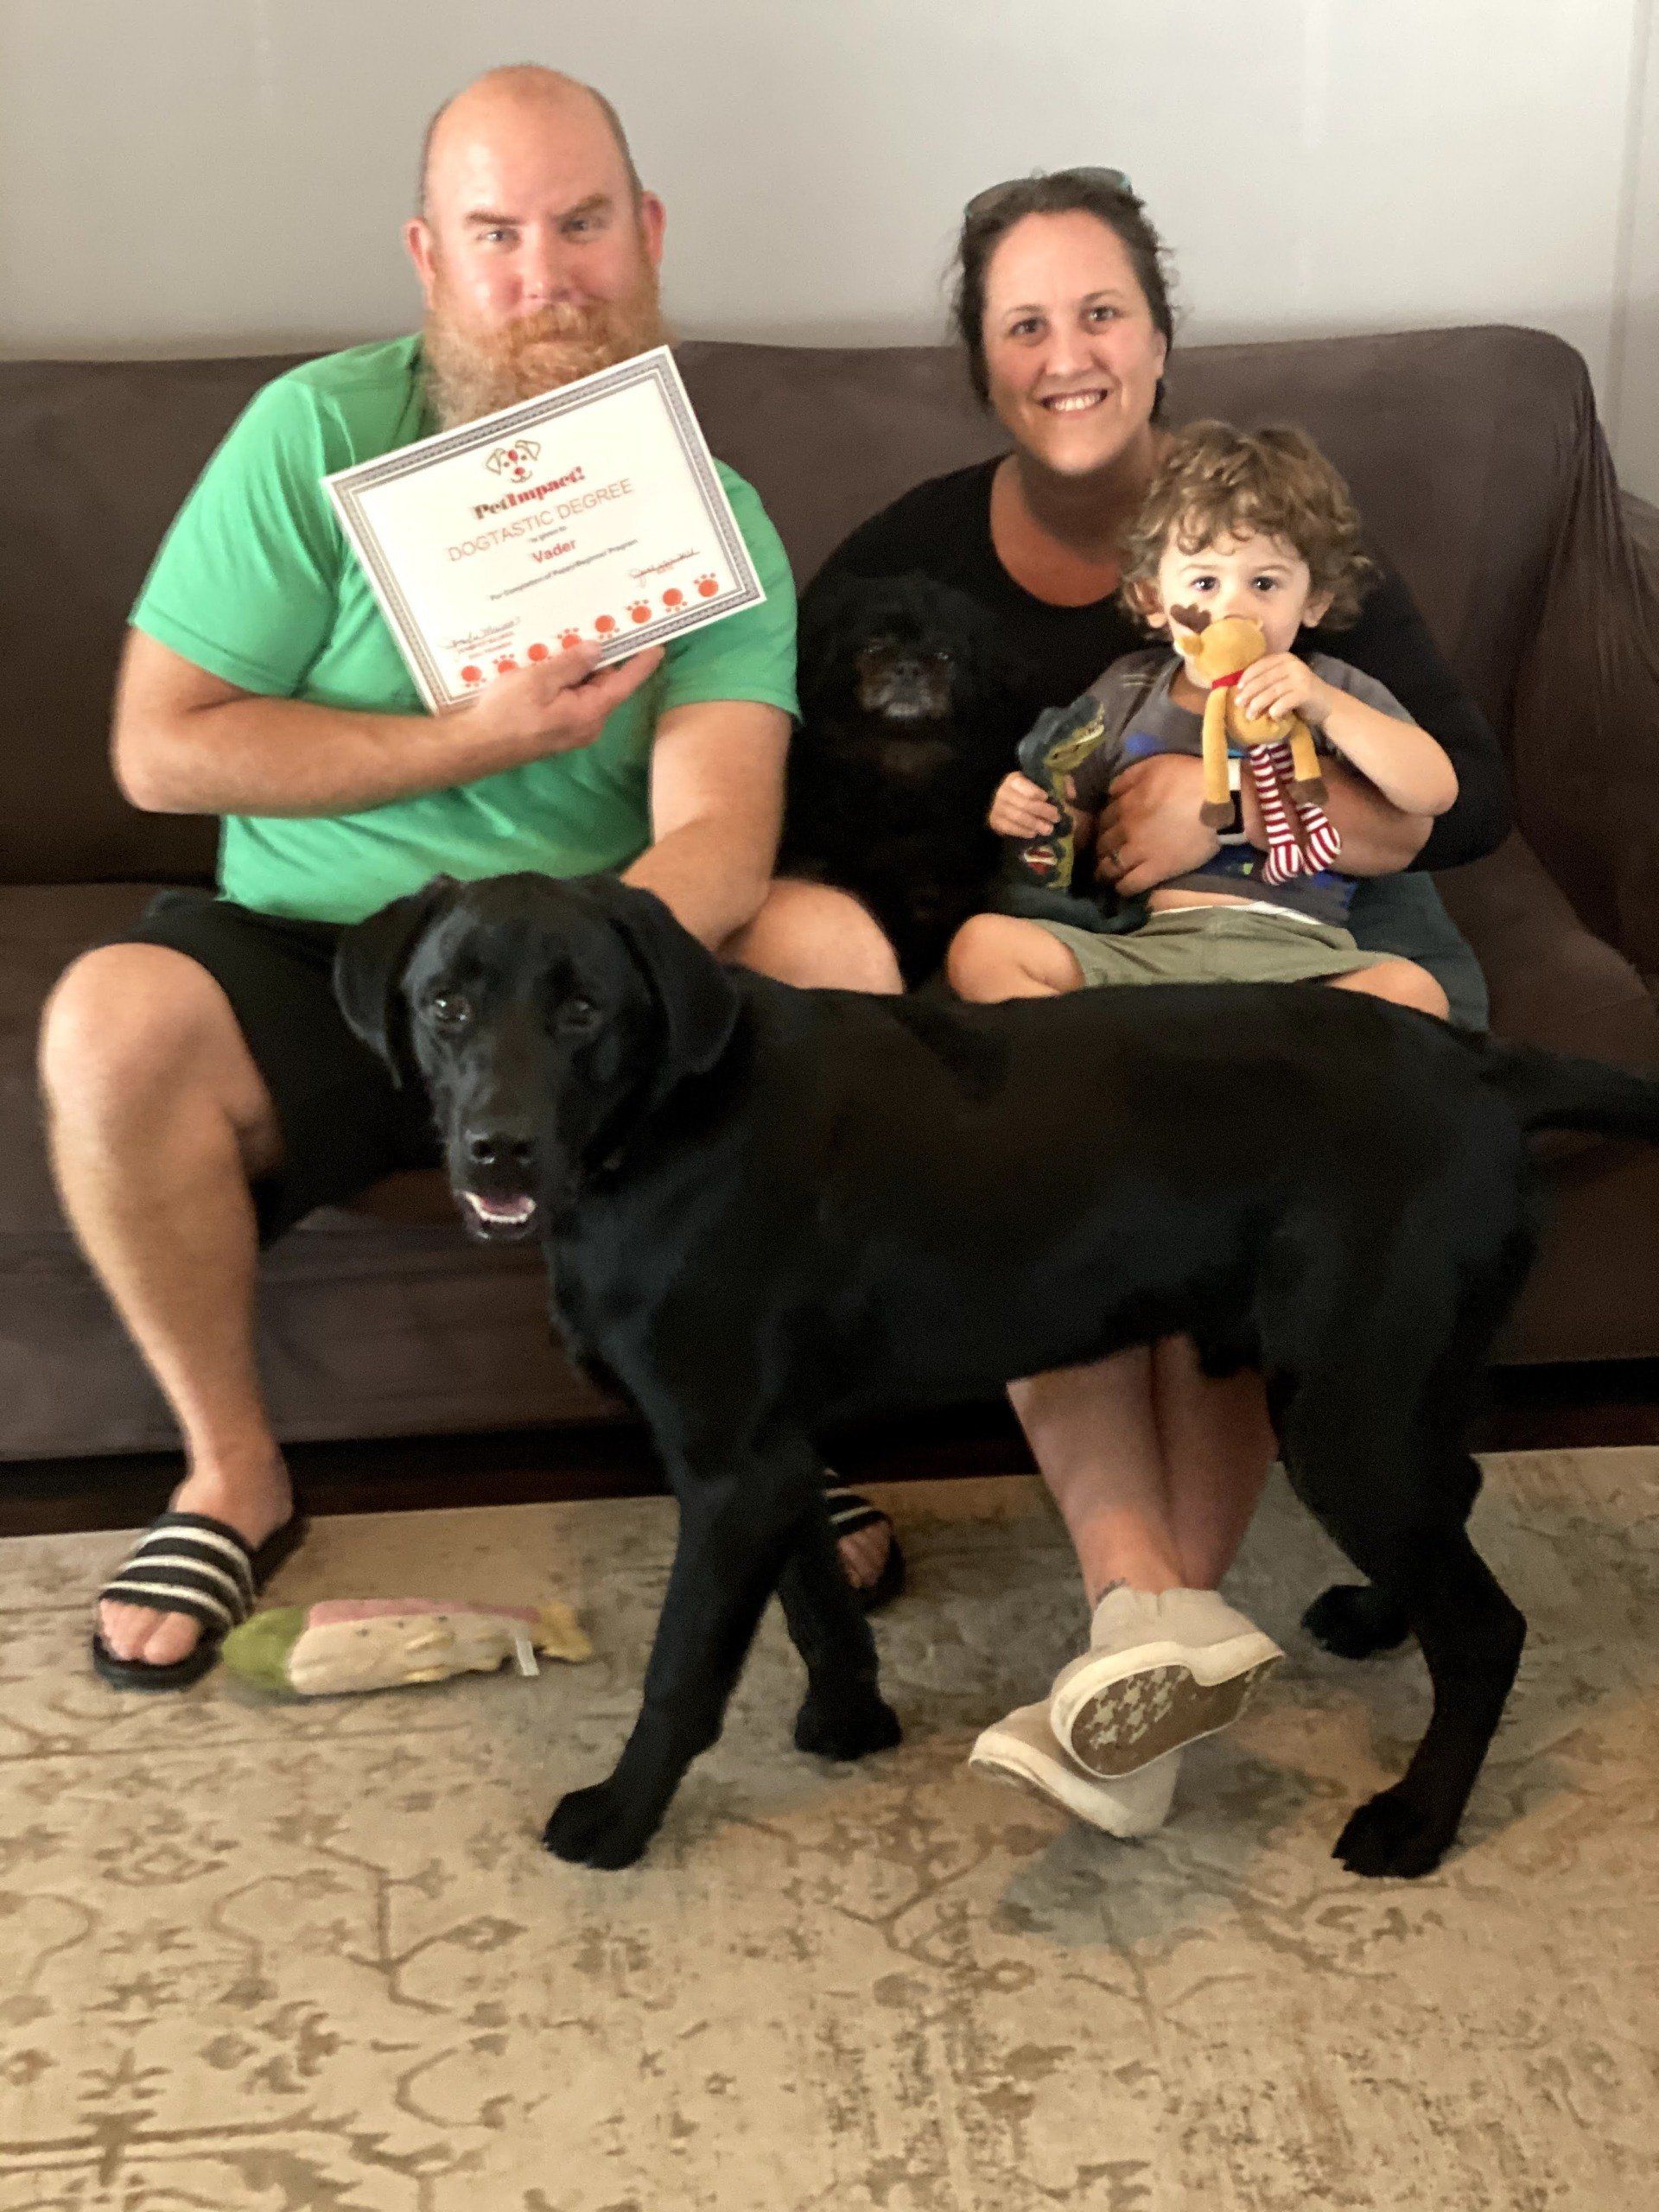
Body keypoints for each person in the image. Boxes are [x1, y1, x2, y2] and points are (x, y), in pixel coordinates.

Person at [40, 65, 888, 1691]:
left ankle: (766, 1425)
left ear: (645, 239)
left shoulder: (718, 516)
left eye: (580, 225)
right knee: (108, 1019)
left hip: (597, 964)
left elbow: (720, 833)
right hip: (330, 957)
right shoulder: (316, 433)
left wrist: (590, 999)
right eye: (496, 233)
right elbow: (161, 752)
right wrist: (473, 736)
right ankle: (232, 1473)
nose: (545, 273)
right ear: (429, 256)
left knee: (832, 946)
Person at [804, 168, 1511, 1839]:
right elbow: (820, 786)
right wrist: (995, 822)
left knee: (1247, 1166)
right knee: (1059, 1137)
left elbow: (1462, 802)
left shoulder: (1278, 534)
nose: (1069, 354)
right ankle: (1156, 1621)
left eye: (1101, 311)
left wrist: (1247, 811)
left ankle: (1146, 1641)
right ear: (979, 357)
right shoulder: (907, 556)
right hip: (1085, 950)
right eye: (1025, 323)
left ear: (1162, 334)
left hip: (1325, 929)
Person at [951, 417, 1458, 1013]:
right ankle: (1136, 1058)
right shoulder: (1127, 691)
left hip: (1299, 958)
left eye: (1265, 583)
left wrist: (1326, 705)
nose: (1232, 608)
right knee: (980, 948)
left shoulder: (1328, 689)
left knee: (1415, 992)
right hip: (1149, 952)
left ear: (1314, 600)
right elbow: (1075, 833)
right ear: (1153, 599)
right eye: (1204, 581)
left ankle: (1212, 1064)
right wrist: (1029, 811)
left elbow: (1435, 791)